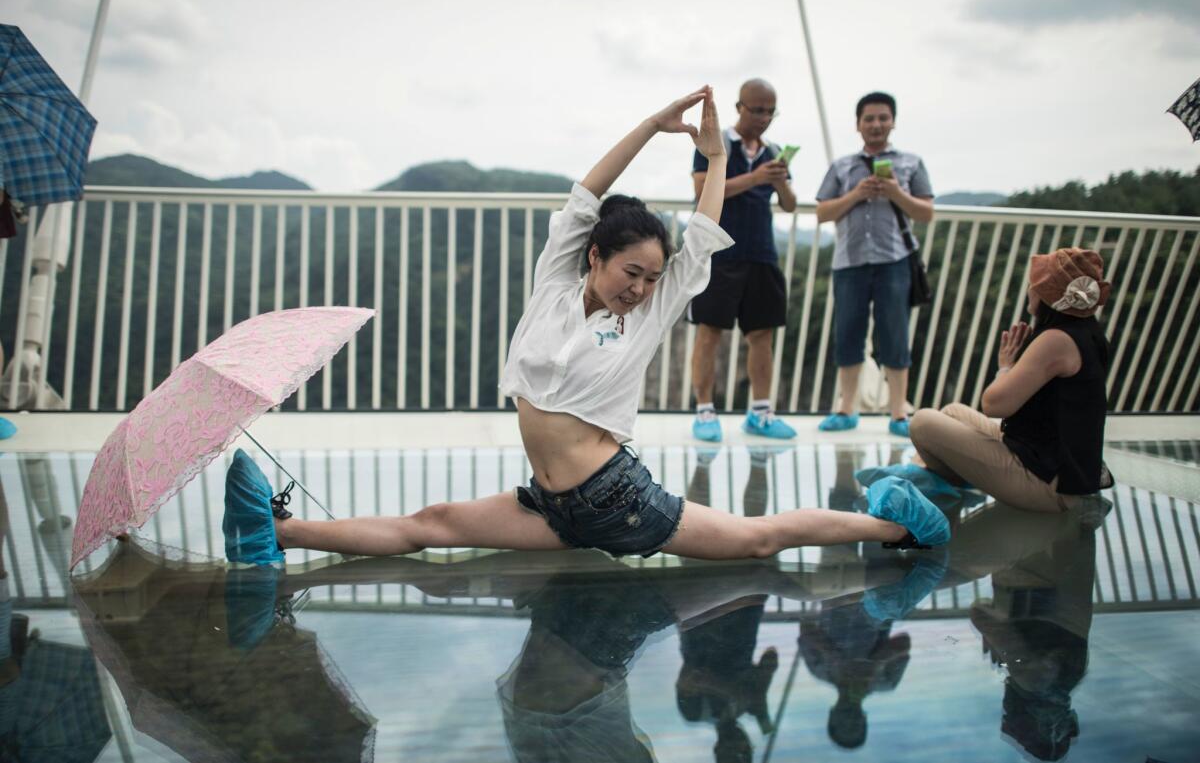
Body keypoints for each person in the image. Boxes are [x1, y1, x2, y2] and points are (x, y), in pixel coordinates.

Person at [223, 87, 950, 567]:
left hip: (619, 502)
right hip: (553, 502)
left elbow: (702, 224)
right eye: (630, 272)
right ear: (595, 256)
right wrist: (650, 126)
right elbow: (587, 192)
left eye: (652, 278)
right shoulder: (553, 284)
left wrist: (717, 152)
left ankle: (899, 525)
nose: (640, 288)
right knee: (431, 521)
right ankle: (275, 536)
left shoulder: (652, 309)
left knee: (759, 539)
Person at [858, 248, 1113, 513]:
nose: (1030, 290)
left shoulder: (1056, 340)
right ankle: (924, 474)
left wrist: (1005, 368)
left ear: (1046, 295)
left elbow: (994, 405)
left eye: (1033, 285)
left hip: (1049, 486)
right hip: (1043, 461)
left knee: (923, 422)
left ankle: (915, 481)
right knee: (952, 412)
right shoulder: (1087, 334)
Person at [815, 92, 934, 438]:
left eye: (883, 118)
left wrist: (895, 192)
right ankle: (845, 408)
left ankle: (899, 411)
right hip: (849, 262)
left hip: (893, 261)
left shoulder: (911, 163)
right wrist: (856, 194)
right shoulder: (842, 166)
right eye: (869, 118)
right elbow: (822, 212)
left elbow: (925, 212)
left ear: (893, 121)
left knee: (895, 334)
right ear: (858, 124)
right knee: (847, 333)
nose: (876, 124)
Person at [688, 78, 798, 443]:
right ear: (739, 107)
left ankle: (761, 412)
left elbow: (790, 204)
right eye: (758, 110)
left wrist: (779, 180)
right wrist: (755, 178)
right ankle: (704, 411)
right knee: (709, 332)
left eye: (770, 111)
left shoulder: (775, 151)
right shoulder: (715, 143)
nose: (764, 118)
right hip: (719, 251)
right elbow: (703, 190)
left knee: (762, 334)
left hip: (762, 252)